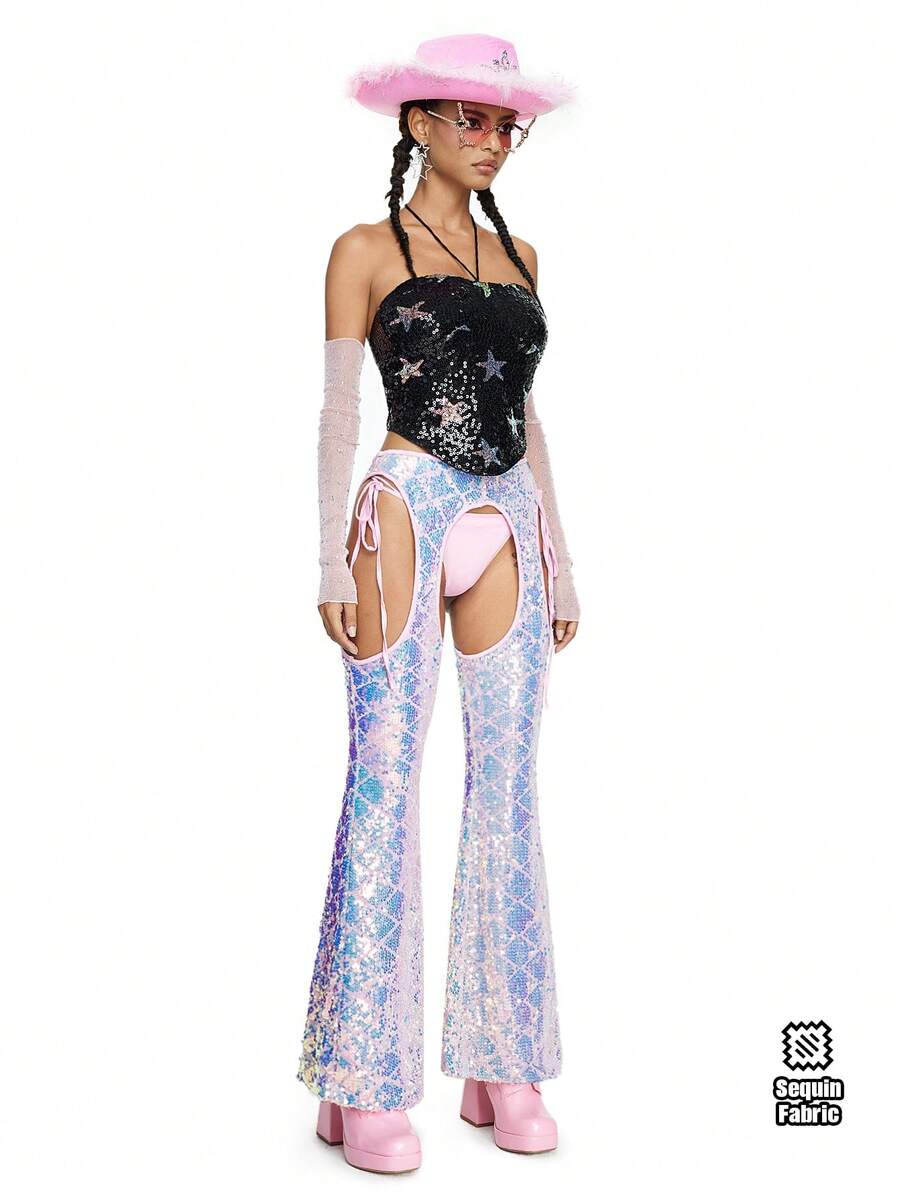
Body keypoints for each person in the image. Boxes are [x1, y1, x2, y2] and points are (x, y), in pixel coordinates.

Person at [297, 34, 582, 1173]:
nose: (493, 139)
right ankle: (359, 1075)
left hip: (507, 512)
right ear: (417, 122)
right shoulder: (364, 249)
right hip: (406, 506)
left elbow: (528, 411)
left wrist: (563, 551)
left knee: (507, 788)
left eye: (507, 123)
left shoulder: (523, 257)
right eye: (471, 118)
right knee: (385, 782)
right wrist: (329, 559)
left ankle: (503, 1061)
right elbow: (335, 412)